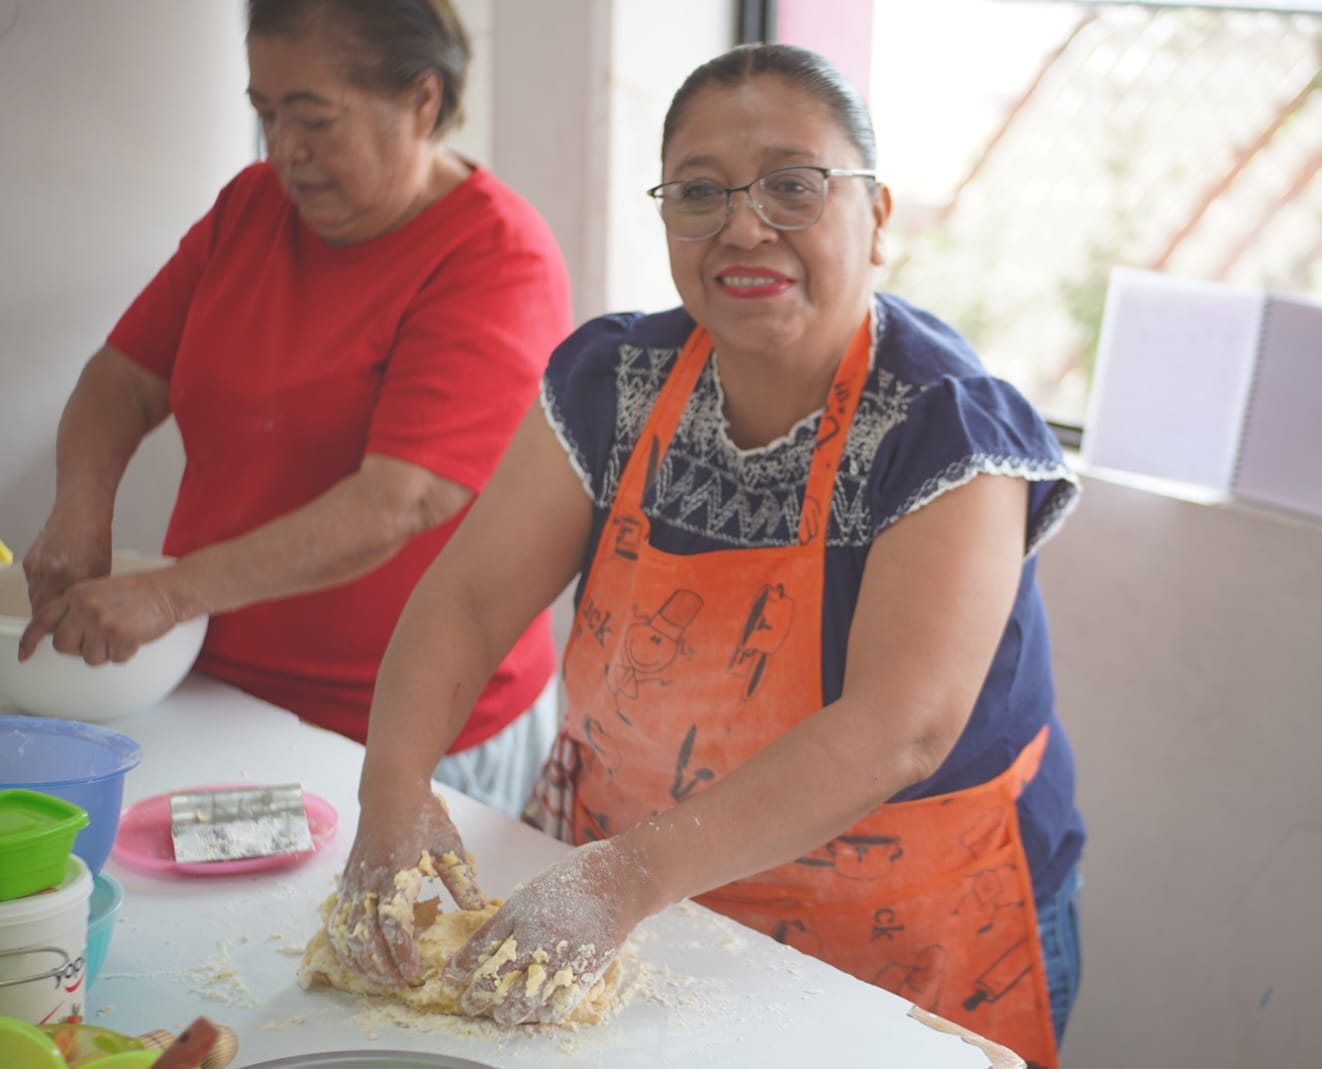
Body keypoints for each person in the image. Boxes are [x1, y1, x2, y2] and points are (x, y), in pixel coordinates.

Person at [328, 43, 1085, 1067]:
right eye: (698, 191)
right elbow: (466, 602)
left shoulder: (946, 428)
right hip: (635, 900)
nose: (742, 224)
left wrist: (616, 882)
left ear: (878, 220)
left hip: (898, 934)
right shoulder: (615, 379)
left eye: (791, 185)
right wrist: (390, 795)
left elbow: (897, 728)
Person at [18, 0, 571, 814]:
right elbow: (122, 378)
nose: (284, 153)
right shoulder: (251, 207)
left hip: (415, 729)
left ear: (422, 102)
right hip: (215, 686)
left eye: (314, 119)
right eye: (265, 115)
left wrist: (170, 593)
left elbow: (397, 501)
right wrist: (80, 506)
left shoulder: (496, 257)